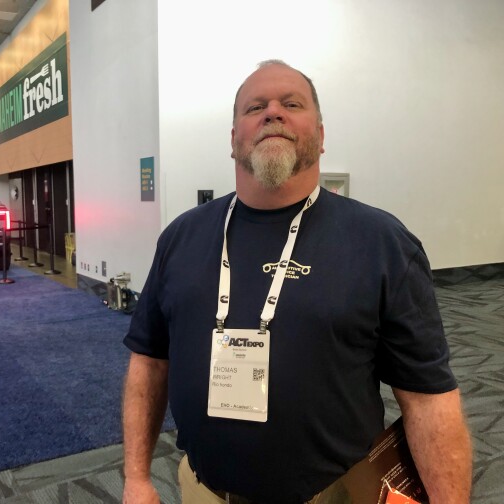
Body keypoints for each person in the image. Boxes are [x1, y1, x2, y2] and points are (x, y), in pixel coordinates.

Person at [121, 60, 472, 504]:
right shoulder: (181, 238)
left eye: (291, 103)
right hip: (202, 491)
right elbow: (149, 362)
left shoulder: (382, 243)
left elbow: (427, 400)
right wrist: (136, 476)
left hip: (336, 494)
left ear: (321, 137)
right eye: (255, 107)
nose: (273, 112)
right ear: (233, 141)